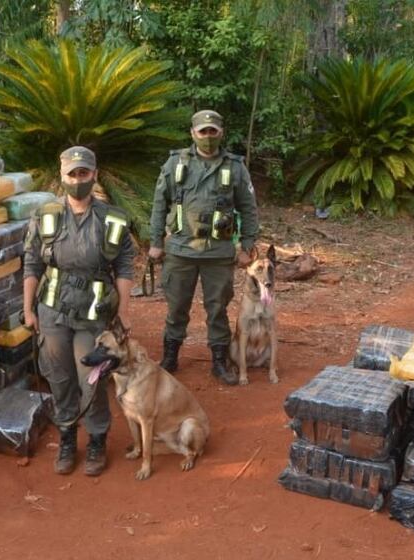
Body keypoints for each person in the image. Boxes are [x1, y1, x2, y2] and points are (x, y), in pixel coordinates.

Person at [23, 146, 136, 476]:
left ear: (94, 174)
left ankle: (97, 438)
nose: (77, 180)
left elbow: (124, 266)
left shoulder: (112, 219)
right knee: (59, 377)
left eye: (83, 173)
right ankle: (68, 436)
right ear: (62, 177)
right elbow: (31, 262)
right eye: (72, 174)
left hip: (93, 314)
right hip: (52, 310)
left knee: (92, 380)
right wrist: (28, 309)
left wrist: (124, 311)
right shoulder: (46, 216)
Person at [148, 109, 259, 385]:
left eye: (213, 131)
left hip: (218, 252)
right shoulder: (175, 163)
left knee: (218, 308)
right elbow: (159, 203)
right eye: (203, 131)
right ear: (192, 133)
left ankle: (219, 362)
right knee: (176, 307)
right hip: (180, 249)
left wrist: (246, 245)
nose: (208, 136)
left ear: (221, 133)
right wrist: (155, 242)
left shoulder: (235, 167)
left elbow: (249, 208)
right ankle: (170, 356)